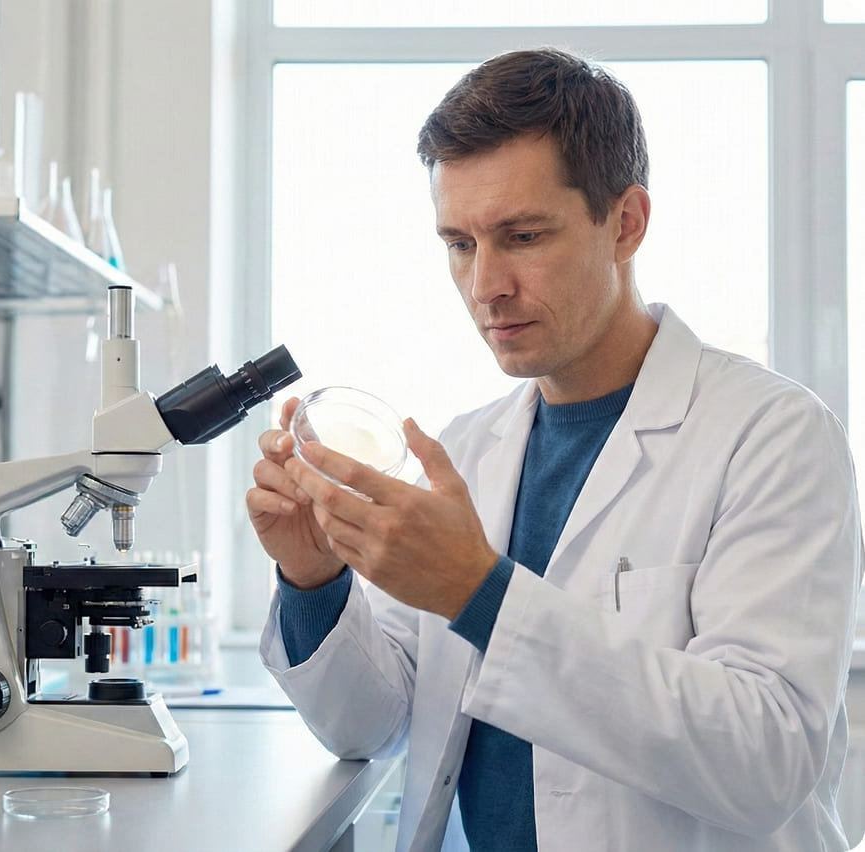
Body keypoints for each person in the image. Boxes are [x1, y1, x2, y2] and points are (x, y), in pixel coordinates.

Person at [246, 47, 864, 852]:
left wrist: (479, 592)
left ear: (626, 223)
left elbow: (766, 760)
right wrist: (313, 577)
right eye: (460, 243)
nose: (485, 285)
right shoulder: (467, 447)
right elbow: (375, 726)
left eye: (523, 235)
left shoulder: (772, 436)